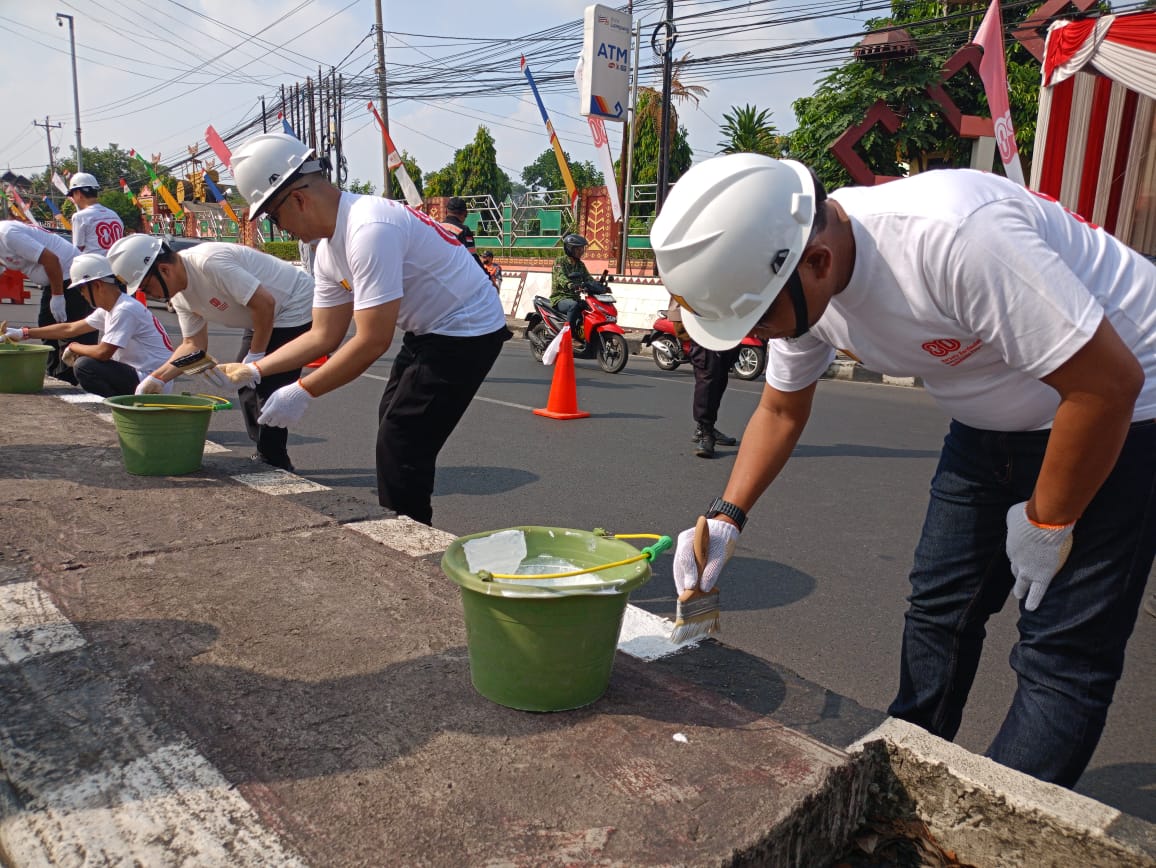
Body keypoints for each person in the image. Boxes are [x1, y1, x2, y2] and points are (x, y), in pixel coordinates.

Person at [651, 153, 1156, 789]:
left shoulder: (955, 238)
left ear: (819, 262)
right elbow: (780, 409)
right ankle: (906, 772)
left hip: (1123, 413)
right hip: (989, 424)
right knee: (939, 609)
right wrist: (728, 514)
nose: (758, 336)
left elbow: (1107, 385)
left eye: (758, 320)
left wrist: (1049, 519)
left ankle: (995, 834)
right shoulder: (799, 283)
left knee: (1061, 652)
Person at [223, 132, 510, 525]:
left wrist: (303, 390)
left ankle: (410, 539)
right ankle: (401, 524)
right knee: (391, 422)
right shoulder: (327, 251)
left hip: (467, 328)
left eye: (274, 218)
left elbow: (373, 340)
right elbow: (323, 335)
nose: (282, 230)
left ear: (299, 199)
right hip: (428, 329)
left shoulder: (369, 227)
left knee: (402, 437)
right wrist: (255, 369)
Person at [106, 234, 315, 473]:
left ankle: (274, 460)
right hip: (260, 313)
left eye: (146, 287)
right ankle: (266, 451)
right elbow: (193, 345)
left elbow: (265, 303)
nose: (150, 294)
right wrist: (158, 378)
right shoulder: (181, 296)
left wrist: (256, 358)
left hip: (293, 304)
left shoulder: (208, 263)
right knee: (245, 384)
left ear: (164, 270)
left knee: (266, 384)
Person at [2, 253, 174, 397]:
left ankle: (121, 406)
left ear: (97, 285)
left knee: (85, 366)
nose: (82, 295)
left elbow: (103, 353)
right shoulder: (112, 308)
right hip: (146, 377)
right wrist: (24, 333)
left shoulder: (124, 309)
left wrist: (74, 346)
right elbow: (69, 328)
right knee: (86, 364)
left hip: (152, 382)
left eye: (81, 290)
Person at [0, 219, 92, 382]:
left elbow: (51, 260)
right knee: (46, 325)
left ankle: (72, 379)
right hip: (53, 280)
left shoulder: (8, 234)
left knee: (67, 330)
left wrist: (58, 296)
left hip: (69, 276)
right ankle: (55, 374)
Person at [550, 233, 593, 349]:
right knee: (573, 306)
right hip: (560, 298)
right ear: (570, 249)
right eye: (578, 249)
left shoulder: (580, 265)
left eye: (582, 249)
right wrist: (570, 284)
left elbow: (588, 278)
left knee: (590, 308)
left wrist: (600, 286)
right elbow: (561, 277)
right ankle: (570, 337)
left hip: (575, 297)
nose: (581, 251)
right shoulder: (560, 262)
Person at [67, 173, 124, 254]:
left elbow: (77, 250)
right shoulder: (114, 214)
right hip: (116, 264)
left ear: (78, 193)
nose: (73, 198)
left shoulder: (79, 217)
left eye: (72, 195)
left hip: (94, 264)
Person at [440, 196, 480, 267]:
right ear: (465, 213)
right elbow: (472, 257)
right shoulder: (464, 231)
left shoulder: (437, 227)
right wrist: (487, 275)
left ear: (446, 211)